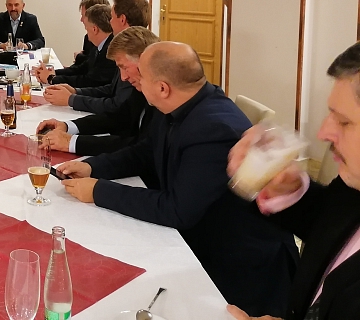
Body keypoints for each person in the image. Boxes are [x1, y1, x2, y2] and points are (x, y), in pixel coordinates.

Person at [58, 42, 298, 317]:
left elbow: (177, 210)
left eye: (141, 76)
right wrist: (92, 167)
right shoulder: (182, 104)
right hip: (205, 236)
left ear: (163, 88)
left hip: (240, 266)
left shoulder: (213, 128)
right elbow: (145, 152)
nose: (132, 80)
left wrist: (99, 191)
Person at [226, 42, 360, 320]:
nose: (323, 133)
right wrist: (286, 189)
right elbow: (330, 226)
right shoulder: (353, 183)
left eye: (344, 122)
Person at [37, 26, 157, 157]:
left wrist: (72, 142)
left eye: (125, 67)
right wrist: (68, 126)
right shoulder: (140, 90)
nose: (123, 77)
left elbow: (139, 146)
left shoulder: (160, 101)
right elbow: (118, 118)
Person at [43, 0, 150, 114]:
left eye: (112, 17)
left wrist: (72, 99)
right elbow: (111, 89)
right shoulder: (126, 46)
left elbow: (118, 107)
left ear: (122, 20)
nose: (110, 22)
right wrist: (76, 92)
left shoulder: (135, 51)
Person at [36, 3, 116, 89]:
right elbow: (82, 68)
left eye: (86, 28)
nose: (87, 34)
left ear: (94, 29)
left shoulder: (111, 50)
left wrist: (52, 79)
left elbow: (90, 81)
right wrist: (54, 73)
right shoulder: (100, 45)